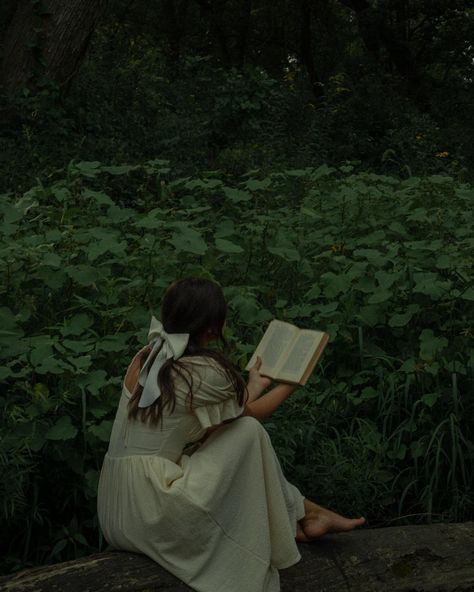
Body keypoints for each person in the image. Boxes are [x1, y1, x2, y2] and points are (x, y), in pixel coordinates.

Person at [97, 277, 365, 592]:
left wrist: (254, 386)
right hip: (155, 509)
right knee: (249, 431)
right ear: (213, 327)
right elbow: (248, 416)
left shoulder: (147, 356)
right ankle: (304, 514)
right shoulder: (201, 371)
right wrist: (291, 384)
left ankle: (306, 512)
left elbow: (216, 423)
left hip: (115, 509)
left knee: (235, 431)